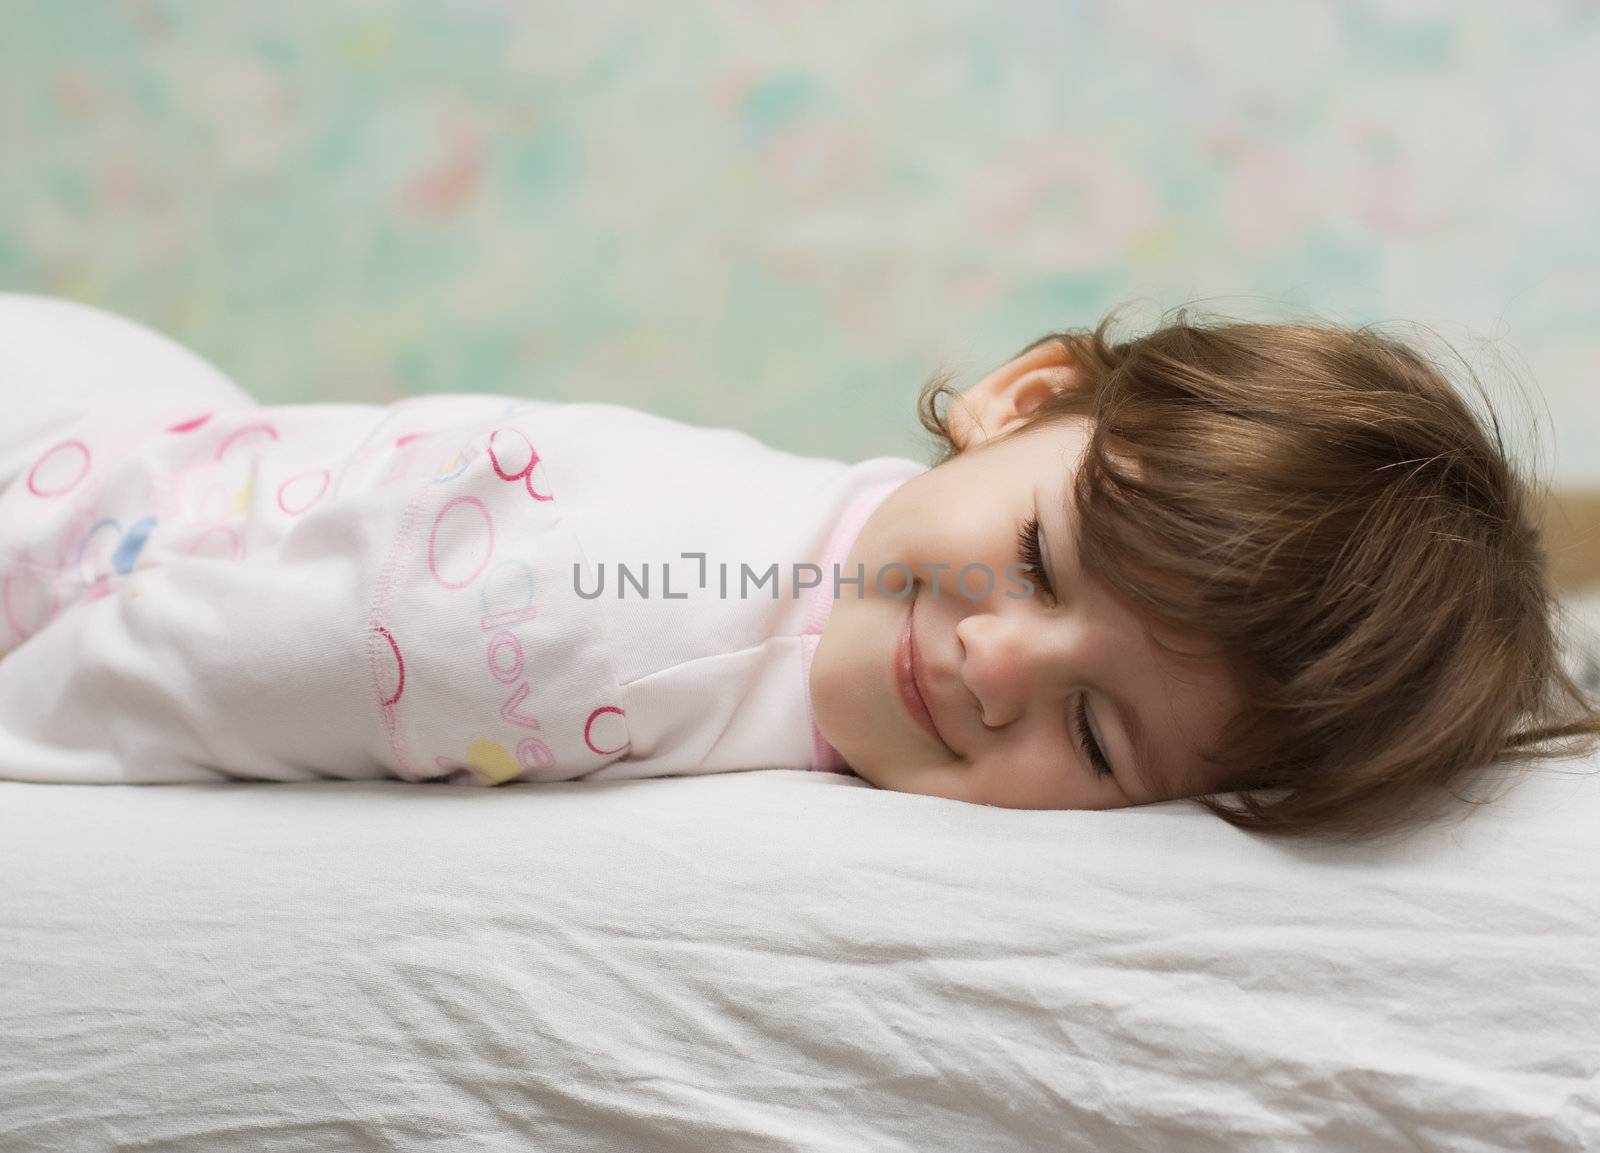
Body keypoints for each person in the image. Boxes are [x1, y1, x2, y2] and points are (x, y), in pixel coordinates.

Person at [1, 294, 1593, 840]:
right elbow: (180, 656)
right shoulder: (597, 632)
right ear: (1018, 402)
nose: (997, 666)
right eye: (1038, 558)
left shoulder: (854, 544)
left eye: (1099, 737)